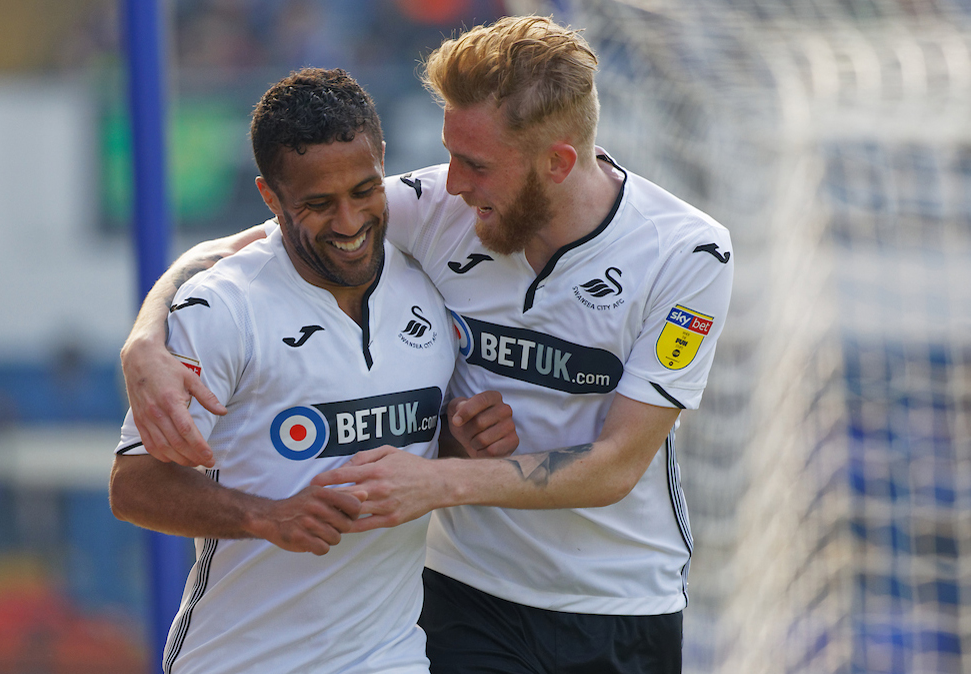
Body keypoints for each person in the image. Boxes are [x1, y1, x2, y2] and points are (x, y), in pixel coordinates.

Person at [121, 16, 733, 674]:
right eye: (449, 156)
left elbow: (614, 467)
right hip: (467, 594)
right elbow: (247, 246)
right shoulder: (436, 205)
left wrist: (436, 478)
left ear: (556, 162)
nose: (454, 182)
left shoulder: (688, 252)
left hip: (622, 602)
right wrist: (146, 337)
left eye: (475, 164)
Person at [109, 68, 514, 674]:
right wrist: (265, 516)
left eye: (364, 191)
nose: (350, 223)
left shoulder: (430, 277)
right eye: (318, 205)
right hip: (241, 660)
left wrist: (464, 441)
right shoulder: (223, 309)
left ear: (383, 163)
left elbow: (422, 442)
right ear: (270, 198)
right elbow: (133, 487)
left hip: (390, 656)